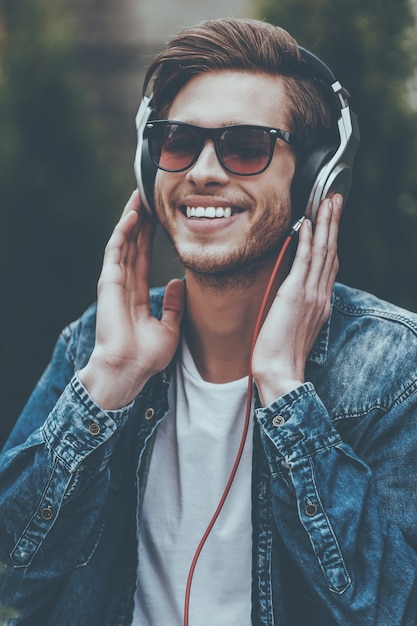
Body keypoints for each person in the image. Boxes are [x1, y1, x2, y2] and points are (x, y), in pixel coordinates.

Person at [1, 16, 417, 626]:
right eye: (177, 141)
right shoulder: (98, 344)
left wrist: (284, 391)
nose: (201, 170)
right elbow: (15, 576)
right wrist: (109, 382)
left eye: (245, 146)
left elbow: (391, 610)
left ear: (313, 179)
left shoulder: (391, 371)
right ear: (152, 166)